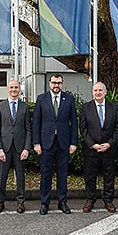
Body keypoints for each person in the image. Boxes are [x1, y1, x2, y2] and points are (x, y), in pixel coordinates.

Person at [33, 74, 78, 215]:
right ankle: (44, 203)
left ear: (62, 84)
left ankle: (62, 202)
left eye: (59, 83)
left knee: (63, 175)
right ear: (49, 83)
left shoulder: (69, 99)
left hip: (63, 143)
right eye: (54, 83)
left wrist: (74, 142)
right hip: (46, 144)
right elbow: (36, 123)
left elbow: (74, 123)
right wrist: (36, 143)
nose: (56, 85)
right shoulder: (41, 99)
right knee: (46, 174)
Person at [80, 82, 118, 213]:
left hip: (108, 149)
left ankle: (108, 201)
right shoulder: (85, 108)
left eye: (100, 90)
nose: (98, 93)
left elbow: (117, 128)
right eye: (95, 90)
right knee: (90, 176)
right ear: (92, 92)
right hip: (91, 149)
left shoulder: (114, 107)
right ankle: (90, 200)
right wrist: (92, 144)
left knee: (109, 177)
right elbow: (83, 129)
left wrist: (109, 144)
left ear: (105, 92)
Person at [0, 80, 32, 214]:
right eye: (11, 87)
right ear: (8, 89)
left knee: (20, 176)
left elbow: (28, 129)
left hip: (20, 148)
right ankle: (0, 202)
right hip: (4, 147)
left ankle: (20, 202)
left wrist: (27, 148)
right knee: (2, 177)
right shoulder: (0, 106)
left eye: (16, 87)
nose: (14, 90)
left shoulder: (25, 107)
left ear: (19, 90)